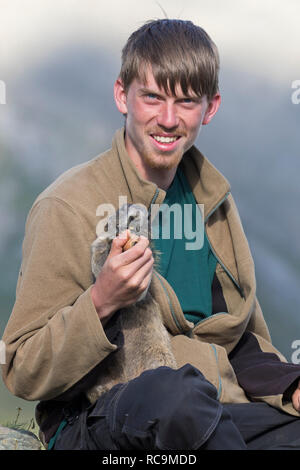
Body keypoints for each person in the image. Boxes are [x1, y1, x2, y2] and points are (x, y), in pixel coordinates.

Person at [2, 19, 300, 451]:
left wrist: (290, 386)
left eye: (185, 101)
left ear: (210, 108)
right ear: (122, 95)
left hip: (214, 412)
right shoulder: (66, 206)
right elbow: (21, 367)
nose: (167, 119)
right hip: (100, 419)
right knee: (172, 397)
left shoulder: (214, 202)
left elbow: (240, 339)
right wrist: (103, 300)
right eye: (152, 97)